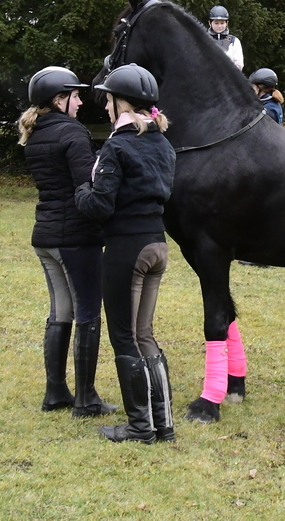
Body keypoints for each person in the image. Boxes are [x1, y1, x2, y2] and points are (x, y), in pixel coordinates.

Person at [75, 63, 177, 443]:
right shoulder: (163, 143)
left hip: (127, 248)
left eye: (109, 100)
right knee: (144, 334)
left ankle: (139, 426)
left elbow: (100, 205)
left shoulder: (117, 146)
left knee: (124, 336)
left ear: (123, 104)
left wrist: (80, 191)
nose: (105, 107)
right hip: (157, 244)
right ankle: (163, 424)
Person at [18, 66, 117, 418]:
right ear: (59, 99)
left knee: (60, 312)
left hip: (45, 236)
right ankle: (86, 399)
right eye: (74, 96)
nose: (80, 102)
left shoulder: (36, 132)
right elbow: (87, 184)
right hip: (75, 237)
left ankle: (56, 391)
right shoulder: (72, 132)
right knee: (88, 313)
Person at [207, 5, 244, 70]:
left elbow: (239, 64)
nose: (219, 26)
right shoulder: (204, 39)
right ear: (210, 23)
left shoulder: (234, 41)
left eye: (222, 23)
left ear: (227, 23)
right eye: (216, 23)